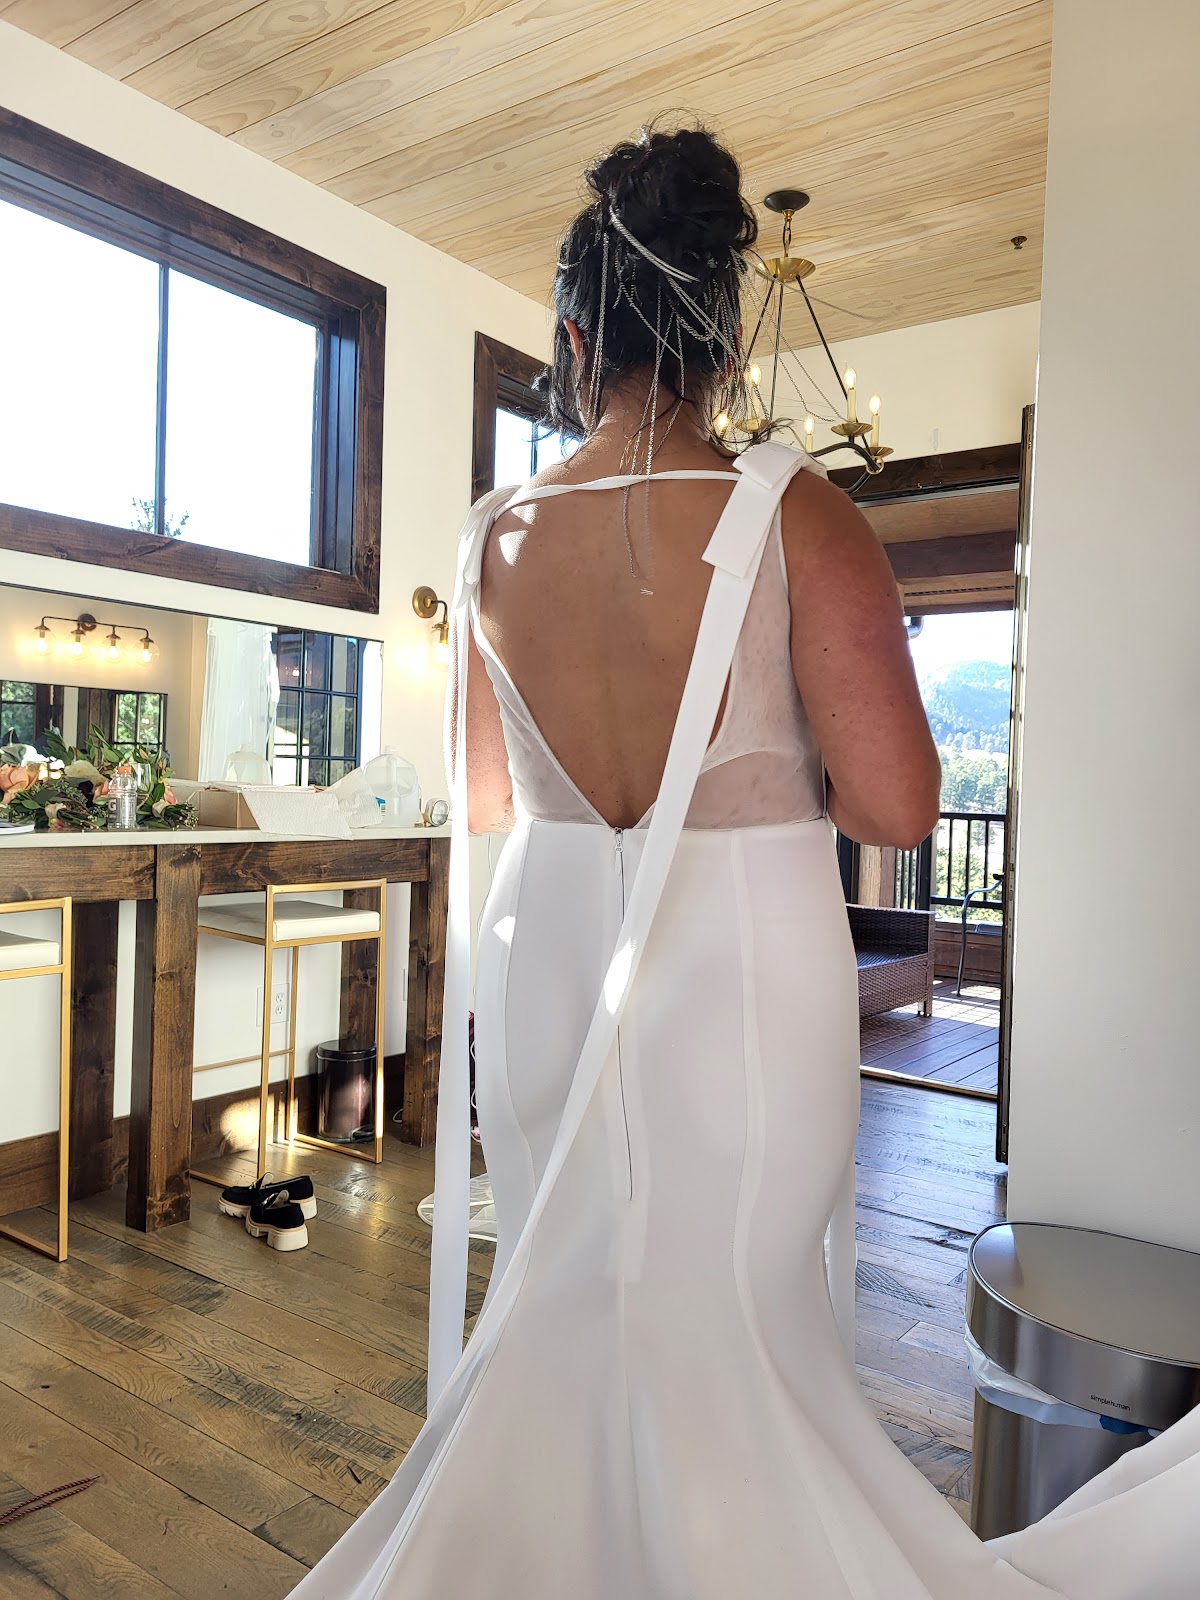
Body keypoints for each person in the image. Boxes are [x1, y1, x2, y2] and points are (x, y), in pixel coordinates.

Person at [292, 125, 1200, 1599]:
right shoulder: (797, 517)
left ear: (574, 342)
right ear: (721, 341)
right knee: (732, 1310)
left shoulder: (490, 539)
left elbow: (484, 792)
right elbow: (899, 808)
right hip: (741, 976)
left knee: (566, 1288)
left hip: (546, 963)